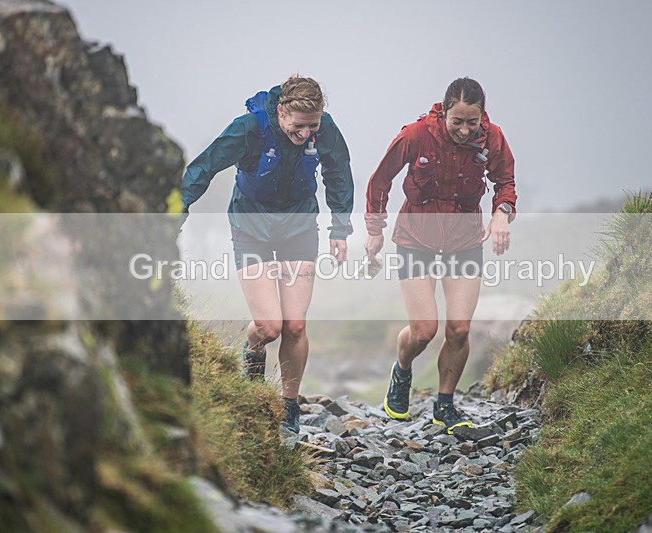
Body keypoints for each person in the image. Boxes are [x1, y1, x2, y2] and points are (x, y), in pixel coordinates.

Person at [180, 75, 353, 434]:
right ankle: (253, 349)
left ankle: (289, 407)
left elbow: (338, 174)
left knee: (295, 325)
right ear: (281, 111)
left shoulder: (326, 130)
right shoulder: (250, 129)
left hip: (299, 226)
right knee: (270, 327)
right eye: (298, 125)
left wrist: (340, 229)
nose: (306, 134)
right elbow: (206, 165)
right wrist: (179, 206)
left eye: (313, 125)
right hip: (251, 228)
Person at [364, 77, 516, 434]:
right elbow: (380, 179)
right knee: (423, 331)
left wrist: (500, 214)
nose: (464, 130)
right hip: (416, 237)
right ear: (444, 112)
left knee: (460, 329)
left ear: (482, 117)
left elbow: (505, 182)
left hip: (464, 239)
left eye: (472, 122)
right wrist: (375, 230)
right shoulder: (416, 134)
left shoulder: (492, 138)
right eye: (457, 121)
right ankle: (402, 372)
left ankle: (444, 406)